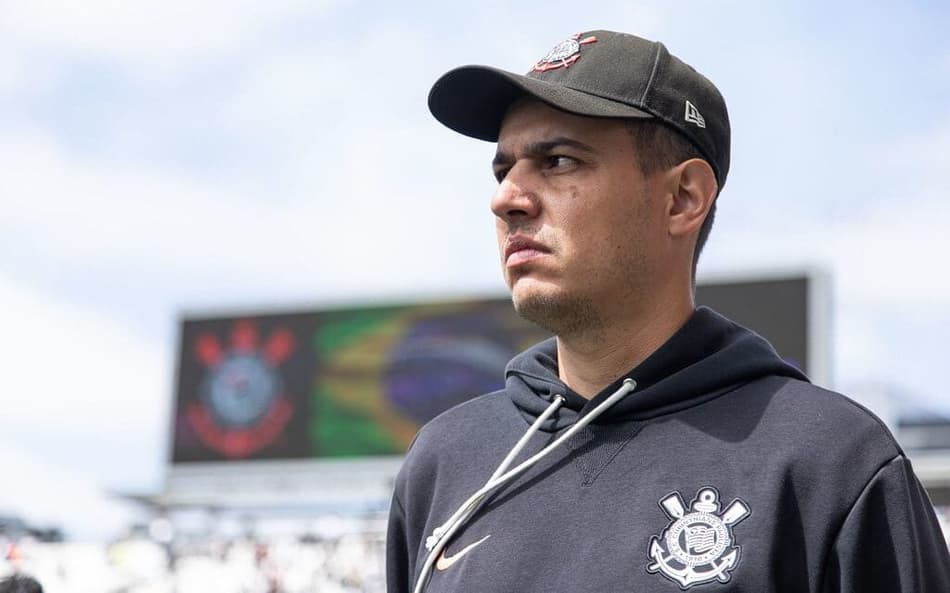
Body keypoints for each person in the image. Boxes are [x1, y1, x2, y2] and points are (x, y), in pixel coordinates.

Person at [386, 30, 950, 593]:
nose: (506, 198)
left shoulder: (831, 464)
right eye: (502, 170)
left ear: (683, 198)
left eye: (557, 161)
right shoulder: (444, 461)